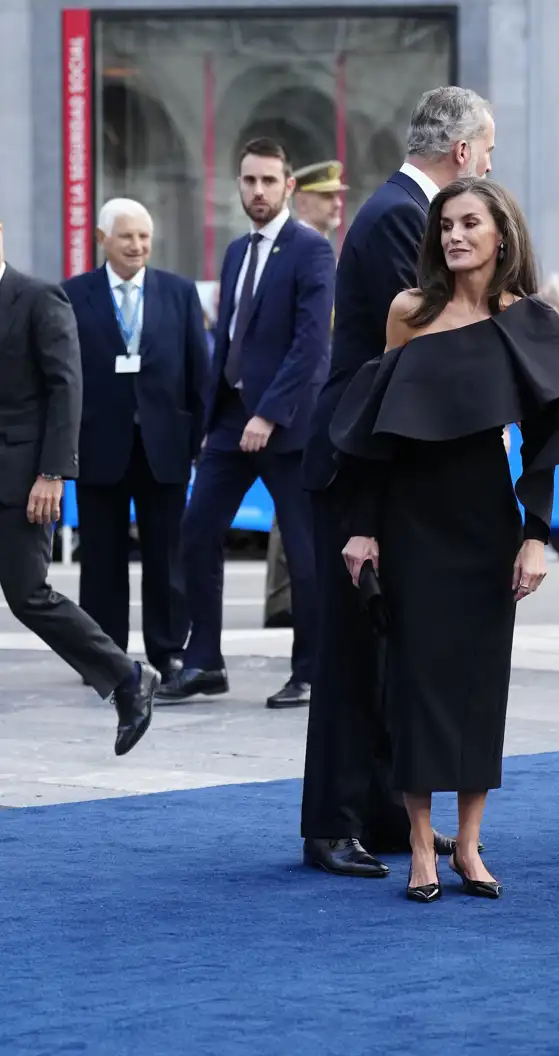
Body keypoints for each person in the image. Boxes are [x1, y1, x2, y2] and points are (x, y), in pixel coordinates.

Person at [330, 179, 559, 901]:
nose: (454, 235)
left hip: (488, 519)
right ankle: (423, 848)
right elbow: (374, 433)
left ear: (500, 234)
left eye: (469, 223)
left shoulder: (526, 320)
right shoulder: (408, 313)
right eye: (445, 225)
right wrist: (363, 528)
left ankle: (472, 847)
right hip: (411, 517)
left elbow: (548, 438)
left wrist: (536, 536)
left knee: (481, 685)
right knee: (418, 683)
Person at [301, 85, 496, 877]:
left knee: (383, 650)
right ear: (460, 152)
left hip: (379, 457)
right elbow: (418, 350)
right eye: (487, 151)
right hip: (359, 460)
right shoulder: (398, 218)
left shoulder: (396, 209)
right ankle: (331, 824)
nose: (488, 165)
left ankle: (382, 812)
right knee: (349, 649)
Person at [158, 137, 335, 708]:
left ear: (289, 187)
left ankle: (310, 671)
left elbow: (312, 347)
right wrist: (214, 420)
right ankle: (204, 660)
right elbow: (228, 338)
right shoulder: (235, 251)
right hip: (229, 423)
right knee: (197, 533)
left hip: (287, 426)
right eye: (248, 180)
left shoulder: (311, 251)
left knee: (304, 554)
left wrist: (268, 413)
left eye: (268, 181)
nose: (257, 190)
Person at [0, 226, 160, 754]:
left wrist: (52, 473)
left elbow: (66, 386)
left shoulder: (38, 296)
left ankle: (127, 678)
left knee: (28, 595)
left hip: (23, 479)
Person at [63, 199, 209, 683]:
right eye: (126, 236)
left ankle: (168, 649)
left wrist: (194, 441)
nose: (137, 245)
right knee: (101, 560)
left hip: (163, 447)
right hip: (99, 446)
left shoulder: (178, 292)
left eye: (144, 236)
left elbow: (198, 373)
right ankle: (104, 657)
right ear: (103, 239)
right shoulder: (72, 296)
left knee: (167, 557)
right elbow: (63, 378)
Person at [263, 160, 349, 631]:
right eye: (328, 194)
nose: (338, 202)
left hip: (320, 393)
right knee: (292, 507)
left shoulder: (322, 250)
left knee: (300, 506)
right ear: (302, 199)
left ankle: (293, 601)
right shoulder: (291, 250)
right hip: (296, 400)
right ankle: (284, 603)